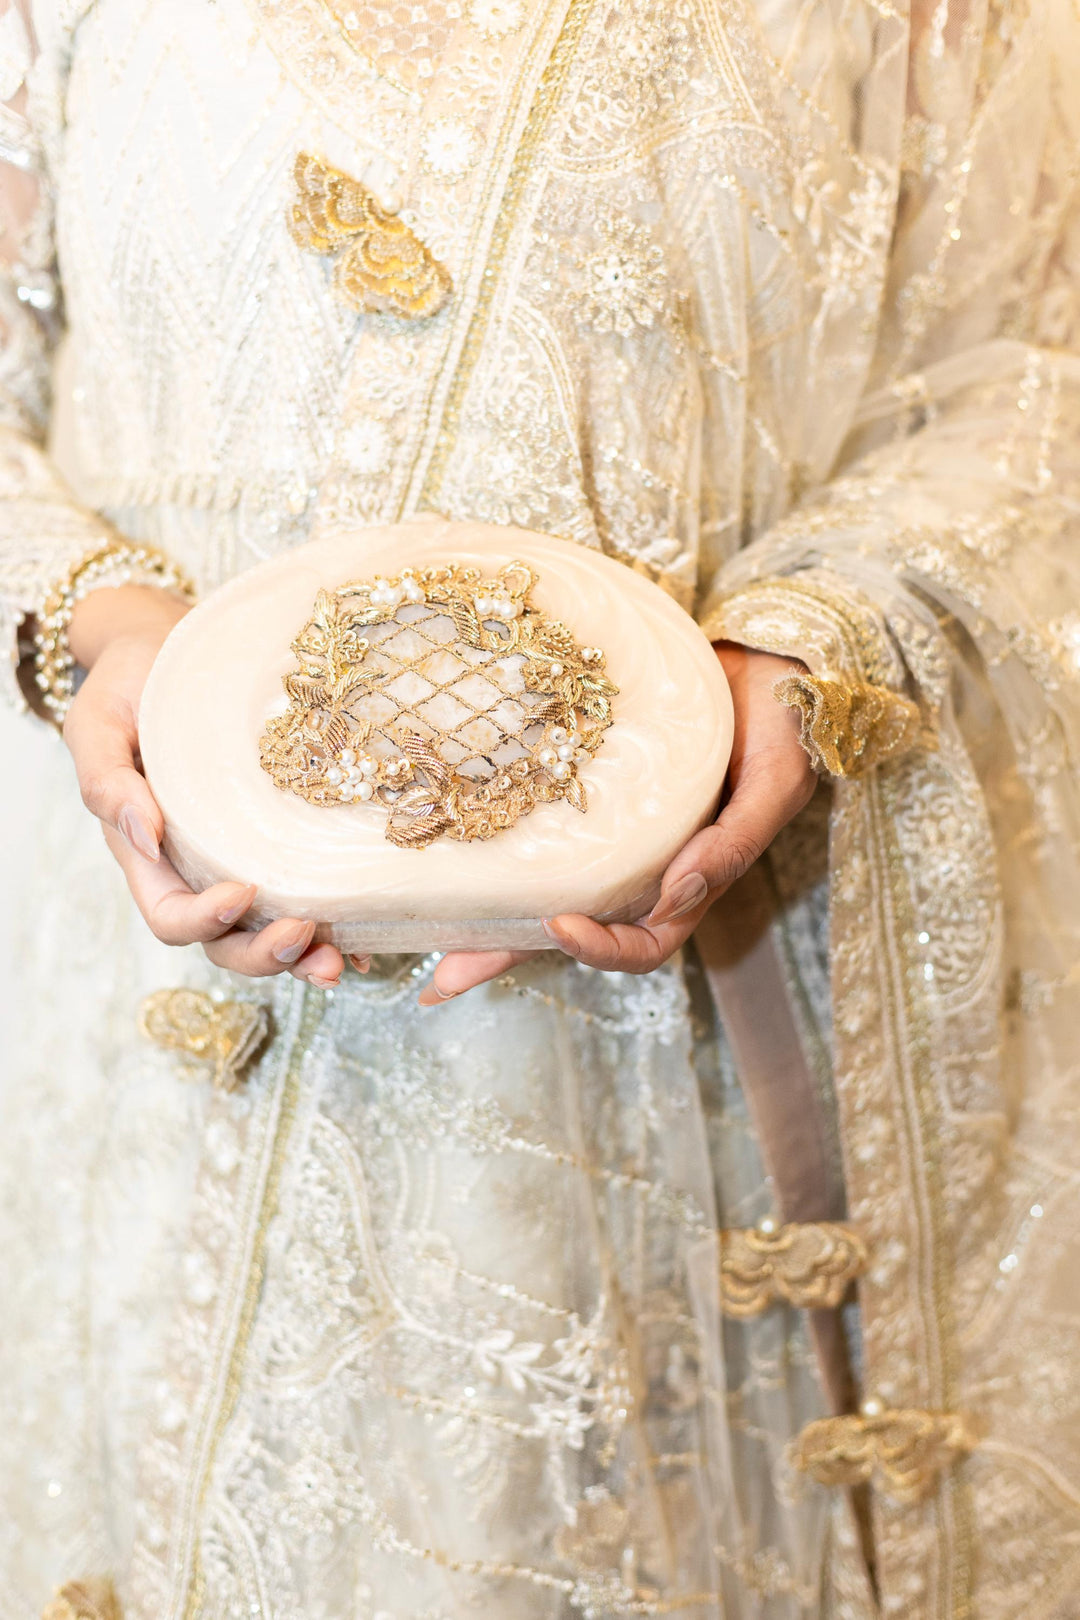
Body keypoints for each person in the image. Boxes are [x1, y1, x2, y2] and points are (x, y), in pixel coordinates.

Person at [2, 1, 1079, 1615]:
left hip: (676, 1064)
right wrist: (101, 621)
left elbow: (1027, 374)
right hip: (146, 1029)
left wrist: (807, 646)